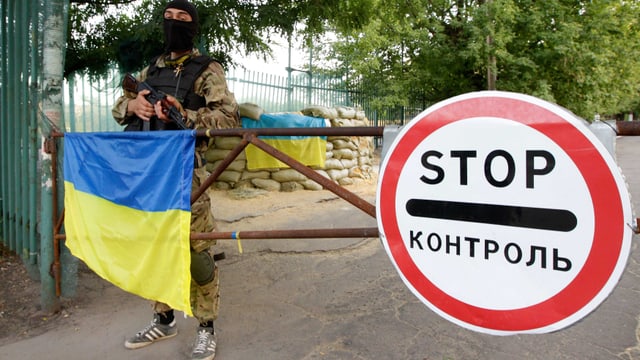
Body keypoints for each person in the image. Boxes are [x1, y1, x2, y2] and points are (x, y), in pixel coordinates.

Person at [111, 1, 240, 359]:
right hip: (150, 172)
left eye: (182, 20)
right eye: (168, 19)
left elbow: (229, 120)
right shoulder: (151, 68)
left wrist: (182, 111)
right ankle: (164, 319)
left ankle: (206, 327)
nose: (174, 25)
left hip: (187, 173)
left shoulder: (207, 69)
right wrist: (132, 107)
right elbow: (119, 106)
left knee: (197, 251)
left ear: (193, 27)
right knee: (156, 247)